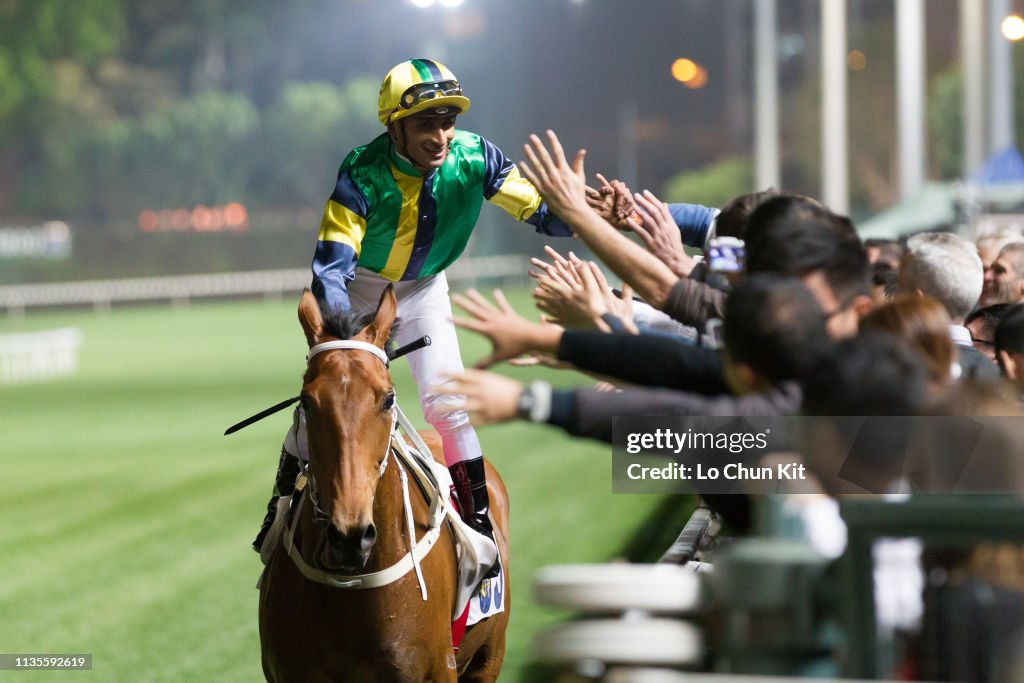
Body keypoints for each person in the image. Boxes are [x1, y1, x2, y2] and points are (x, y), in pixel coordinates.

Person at [253, 59, 574, 572]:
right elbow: (332, 268)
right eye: (426, 123)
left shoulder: (477, 156)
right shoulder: (361, 171)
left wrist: (587, 209)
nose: (441, 135)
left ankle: (479, 535)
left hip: (424, 290)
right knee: (329, 405)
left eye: (447, 121)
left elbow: (543, 213)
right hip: (357, 290)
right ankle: (277, 515)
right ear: (394, 126)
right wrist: (344, 341)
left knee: (449, 406)